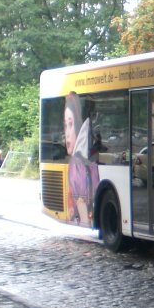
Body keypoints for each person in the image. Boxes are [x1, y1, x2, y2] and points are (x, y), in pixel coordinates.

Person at [64, 91, 100, 227]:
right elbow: (81, 202)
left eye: (71, 124)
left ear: (78, 126)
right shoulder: (81, 163)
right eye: (65, 125)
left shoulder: (79, 163)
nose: (67, 134)